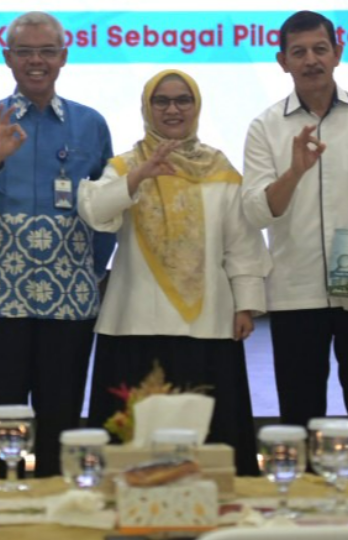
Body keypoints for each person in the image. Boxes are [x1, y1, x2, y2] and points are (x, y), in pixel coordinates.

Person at [240, 10, 348, 474]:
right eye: (298, 52)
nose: (311, 60)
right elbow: (256, 210)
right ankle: (301, 506)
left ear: (338, 53)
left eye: (320, 49)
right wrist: (295, 171)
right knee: (300, 414)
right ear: (282, 61)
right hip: (295, 291)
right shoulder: (265, 126)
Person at [0, 11, 115, 476]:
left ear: (63, 57)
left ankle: (59, 509)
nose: (36, 61)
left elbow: (108, 208)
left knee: (62, 421)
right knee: (2, 422)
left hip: (69, 298)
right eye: (25, 52)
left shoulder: (90, 124)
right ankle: (5, 507)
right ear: (7, 57)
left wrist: (90, 270)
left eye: (46, 51)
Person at [81, 70, 267, 466]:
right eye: (161, 101)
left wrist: (246, 305)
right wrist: (138, 176)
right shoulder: (125, 165)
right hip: (134, 325)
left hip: (208, 324)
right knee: (132, 444)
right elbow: (95, 212)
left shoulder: (218, 168)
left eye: (183, 100)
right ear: (146, 108)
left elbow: (242, 243)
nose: (172, 109)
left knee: (211, 445)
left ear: (196, 107)